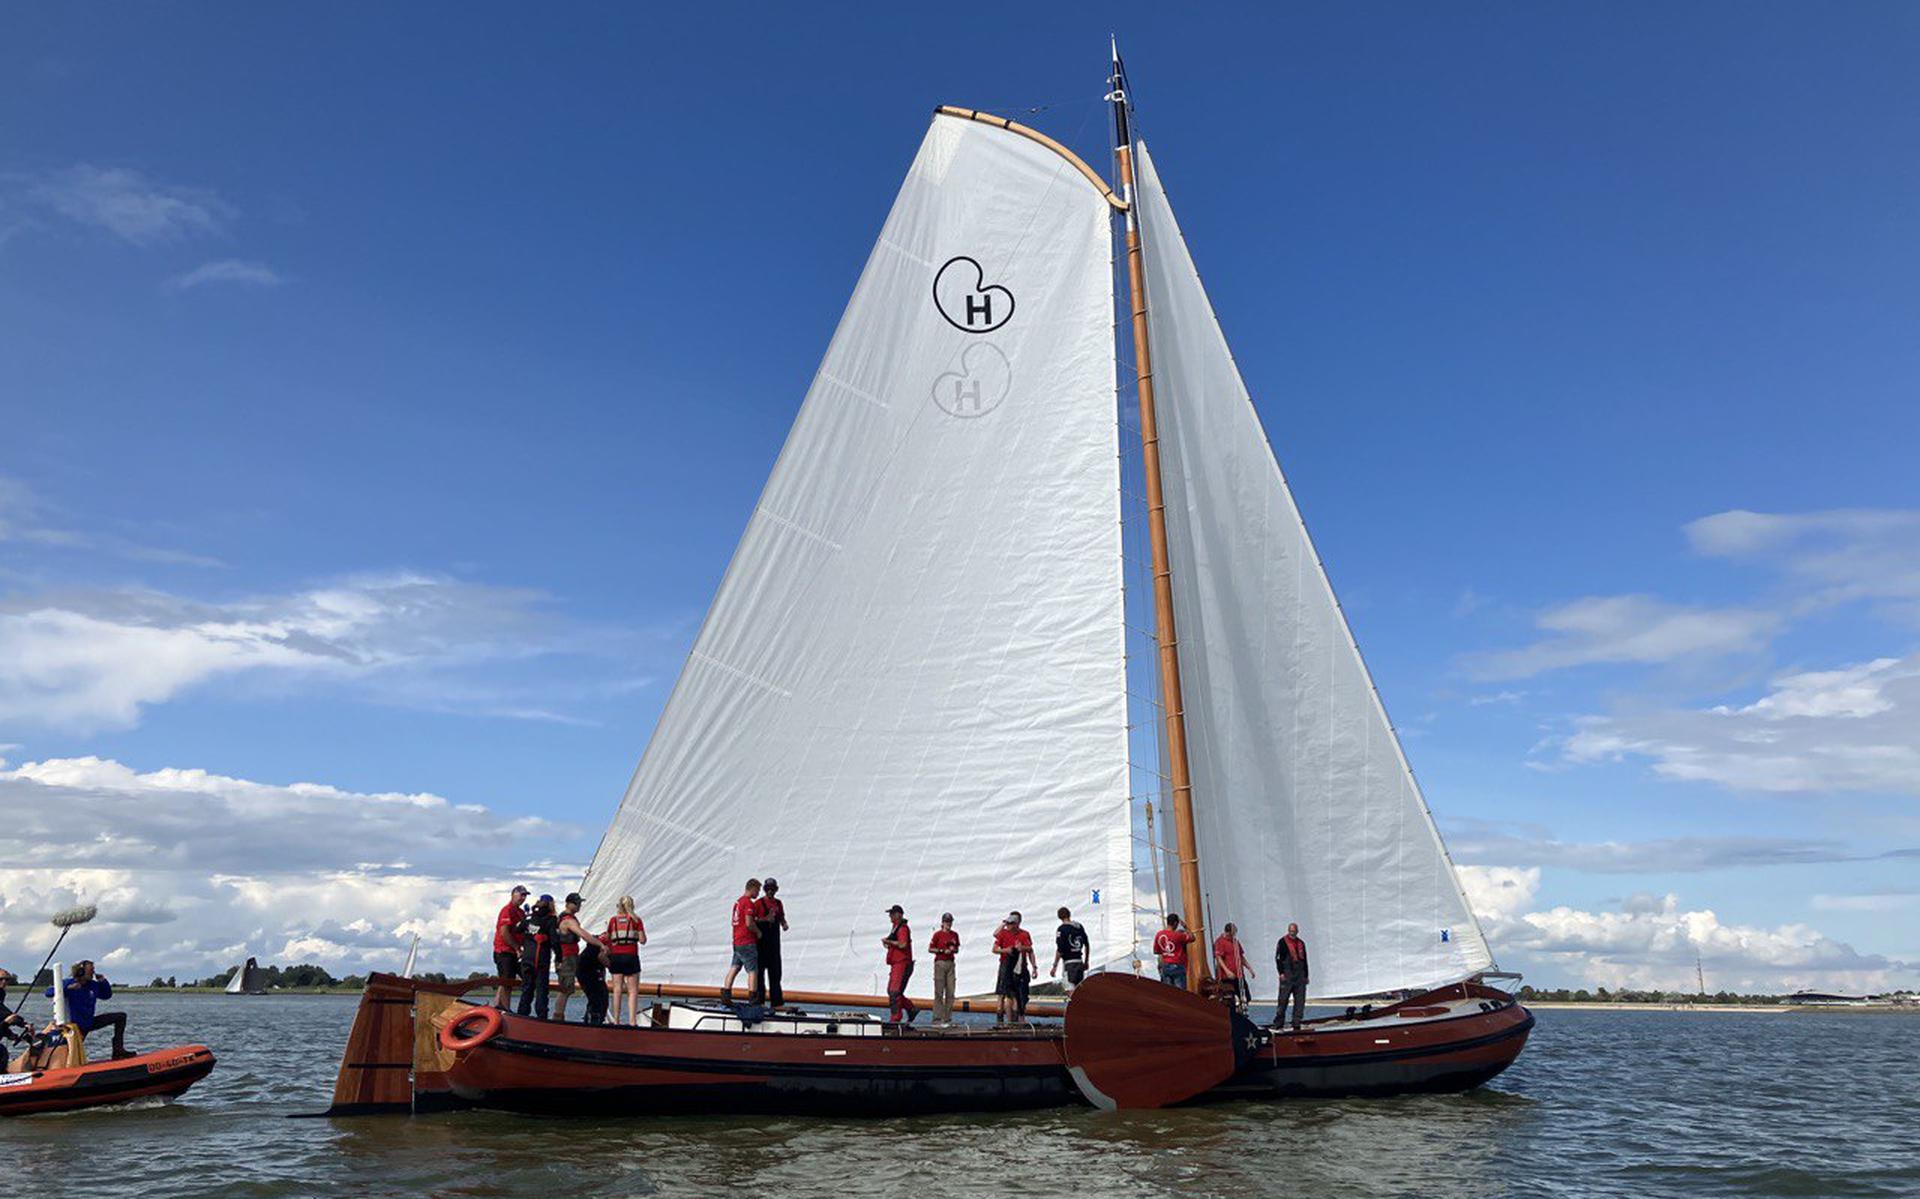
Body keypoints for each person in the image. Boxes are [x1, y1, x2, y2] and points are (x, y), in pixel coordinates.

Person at [48, 960, 129, 1058]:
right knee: (71, 1053)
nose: (93, 973)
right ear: (81, 971)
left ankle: (118, 1050)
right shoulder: (69, 983)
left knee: (121, 1017)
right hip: (76, 1027)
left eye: (93, 970)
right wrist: (68, 989)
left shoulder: (93, 985)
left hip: (89, 1022)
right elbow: (48, 992)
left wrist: (103, 982)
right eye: (90, 970)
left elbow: (106, 995)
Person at [553, 893, 608, 1023]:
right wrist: (599, 943)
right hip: (566, 957)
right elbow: (583, 934)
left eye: (580, 903)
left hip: (570, 957)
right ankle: (558, 1019)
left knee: (567, 988)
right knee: (565, 988)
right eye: (576, 903)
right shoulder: (568, 920)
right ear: (568, 903)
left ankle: (559, 1018)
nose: (579, 906)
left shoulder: (568, 918)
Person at [604, 895, 647, 1026]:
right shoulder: (636, 920)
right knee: (632, 990)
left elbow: (608, 939)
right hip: (631, 956)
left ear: (619, 906)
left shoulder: (612, 921)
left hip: (616, 957)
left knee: (617, 989)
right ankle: (632, 1022)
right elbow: (642, 940)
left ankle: (616, 1021)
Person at [720, 878, 762, 1005]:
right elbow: (749, 923)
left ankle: (726, 995)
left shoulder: (737, 902)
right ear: (753, 888)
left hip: (737, 941)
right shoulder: (748, 903)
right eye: (758, 890)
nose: (758, 893)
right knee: (753, 970)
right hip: (747, 941)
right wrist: (758, 931)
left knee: (735, 967)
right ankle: (753, 998)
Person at [517, 894, 558, 1020]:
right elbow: (555, 941)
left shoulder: (529, 917)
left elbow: (517, 929)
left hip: (527, 958)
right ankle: (542, 1017)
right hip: (541, 959)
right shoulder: (550, 920)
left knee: (527, 988)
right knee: (541, 989)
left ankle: (521, 1016)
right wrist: (560, 957)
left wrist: (528, 933)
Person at [991, 911, 1037, 1024]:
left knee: (1020, 994)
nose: (1009, 925)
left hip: (1020, 966)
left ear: (1017, 923)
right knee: (1005, 994)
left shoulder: (1024, 934)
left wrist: (1034, 966)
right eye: (1009, 923)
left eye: (1012, 923)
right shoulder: (1003, 933)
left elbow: (1030, 950)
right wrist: (1006, 950)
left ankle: (1017, 1019)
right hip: (1006, 965)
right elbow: (994, 945)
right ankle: (1005, 1021)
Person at [755, 878, 791, 1010]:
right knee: (759, 975)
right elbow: (753, 920)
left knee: (775, 973)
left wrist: (784, 923)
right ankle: (760, 1001)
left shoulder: (778, 903)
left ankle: (777, 1002)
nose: (770, 891)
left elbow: (781, 916)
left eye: (772, 889)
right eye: (768, 889)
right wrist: (765, 919)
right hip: (762, 943)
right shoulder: (758, 903)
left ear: (776, 890)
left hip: (774, 944)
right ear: (765, 890)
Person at [492, 884, 529, 1009]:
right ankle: (505, 1009)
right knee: (506, 981)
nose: (523, 898)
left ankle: (497, 1005)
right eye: (521, 895)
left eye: (525, 895)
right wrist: (517, 947)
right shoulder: (507, 910)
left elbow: (523, 932)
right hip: (504, 950)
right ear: (513, 894)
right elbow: (504, 932)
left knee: (516, 978)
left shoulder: (521, 912)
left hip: (515, 952)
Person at [881, 904, 917, 1023]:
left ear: (898, 915)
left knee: (894, 992)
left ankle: (896, 1019)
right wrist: (888, 942)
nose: (890, 916)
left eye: (892, 914)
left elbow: (902, 944)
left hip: (902, 963)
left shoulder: (902, 928)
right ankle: (911, 1008)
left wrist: (889, 942)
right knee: (893, 991)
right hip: (897, 963)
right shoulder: (895, 927)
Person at [1276, 922, 1310, 1032]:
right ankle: (1279, 1023)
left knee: (1300, 1001)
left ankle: (1296, 1023)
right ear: (1288, 931)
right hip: (1287, 974)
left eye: (1294, 931)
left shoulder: (1301, 943)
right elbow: (1278, 958)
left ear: (1297, 931)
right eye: (1291, 931)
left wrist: (1306, 975)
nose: (1292, 933)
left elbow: (1305, 960)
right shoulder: (1282, 942)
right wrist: (1281, 973)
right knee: (1283, 1000)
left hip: (1299, 975)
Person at [928, 913, 960, 1025]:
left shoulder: (954, 935)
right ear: (942, 923)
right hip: (940, 962)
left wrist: (953, 949)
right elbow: (930, 949)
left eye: (950, 921)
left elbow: (957, 949)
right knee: (939, 992)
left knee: (951, 992)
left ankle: (947, 1018)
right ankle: (937, 1018)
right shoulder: (937, 935)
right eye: (946, 922)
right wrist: (942, 950)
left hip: (950, 963)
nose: (948, 924)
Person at [1213, 922, 1252, 1011]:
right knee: (1229, 999)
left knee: (1245, 995)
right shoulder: (1220, 942)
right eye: (1233, 934)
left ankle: (1242, 1010)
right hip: (1227, 976)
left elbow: (1240, 956)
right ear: (1228, 932)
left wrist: (1249, 968)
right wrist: (1227, 971)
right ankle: (1233, 1013)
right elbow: (1219, 958)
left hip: (1239, 974)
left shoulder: (1235, 942)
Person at [1050, 907, 1090, 993]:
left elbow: (1060, 950)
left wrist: (1054, 966)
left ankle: (1076, 1006)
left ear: (1059, 917)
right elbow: (1087, 945)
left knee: (1070, 990)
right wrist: (1086, 962)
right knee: (1078, 991)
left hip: (1069, 964)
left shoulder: (1061, 929)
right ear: (1069, 914)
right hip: (1079, 962)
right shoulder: (1079, 927)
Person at [1152, 913, 1196, 990]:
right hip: (1177, 966)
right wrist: (1185, 927)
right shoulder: (1178, 936)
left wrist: (1166, 953)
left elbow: (1156, 951)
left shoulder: (1159, 934)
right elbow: (1192, 938)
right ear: (1175, 923)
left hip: (1165, 966)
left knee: (1168, 992)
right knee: (1180, 993)